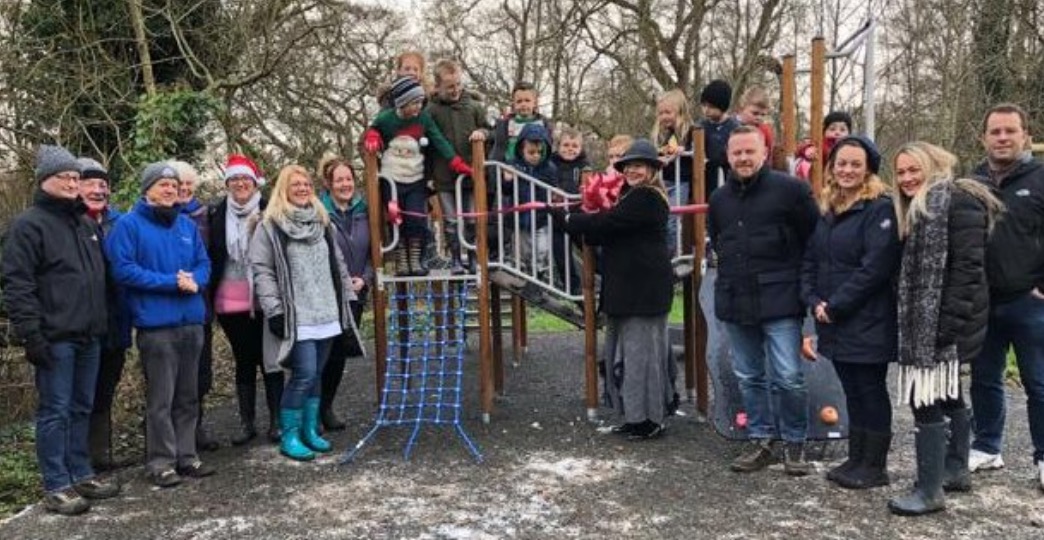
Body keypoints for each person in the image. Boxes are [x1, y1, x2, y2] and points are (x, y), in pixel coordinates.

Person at [886, 142, 1003, 515]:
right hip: (938, 322)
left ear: (933, 165)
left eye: (913, 170)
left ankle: (930, 489)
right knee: (949, 393)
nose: (906, 178)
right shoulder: (923, 208)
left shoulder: (955, 202)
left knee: (926, 398)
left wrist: (944, 328)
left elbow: (968, 271)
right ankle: (954, 470)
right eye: (900, 172)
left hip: (944, 325)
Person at [1, 145, 118, 515]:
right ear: (44, 181)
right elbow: (16, 284)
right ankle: (57, 483)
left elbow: (95, 279)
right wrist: (31, 334)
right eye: (63, 177)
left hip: (89, 334)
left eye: (74, 177)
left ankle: (81, 471)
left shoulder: (84, 223)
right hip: (55, 336)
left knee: (83, 406)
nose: (72, 183)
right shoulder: (28, 225)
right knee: (56, 410)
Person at [708, 125, 818, 476]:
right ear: (728, 156)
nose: (742, 158)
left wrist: (808, 292)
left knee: (788, 376)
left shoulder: (793, 191)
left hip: (781, 299)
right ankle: (762, 439)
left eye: (749, 152)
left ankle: (795, 442)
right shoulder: (719, 200)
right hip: (736, 300)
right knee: (749, 376)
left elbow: (813, 242)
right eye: (736, 152)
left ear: (764, 152)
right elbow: (719, 241)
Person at [552, 139, 674, 439]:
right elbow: (606, 231)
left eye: (638, 165)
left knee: (641, 357)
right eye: (628, 166)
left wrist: (569, 219)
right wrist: (579, 222)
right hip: (627, 289)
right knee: (628, 355)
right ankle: (635, 417)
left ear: (652, 170)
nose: (632, 170)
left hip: (642, 291)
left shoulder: (647, 197)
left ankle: (650, 419)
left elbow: (607, 223)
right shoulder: (629, 195)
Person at [800, 136, 901, 489]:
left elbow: (875, 267)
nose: (847, 170)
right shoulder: (828, 210)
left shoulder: (879, 209)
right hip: (833, 320)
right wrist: (812, 299)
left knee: (870, 389)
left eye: (855, 164)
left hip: (866, 317)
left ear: (868, 169)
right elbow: (812, 259)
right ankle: (857, 457)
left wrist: (836, 304)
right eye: (841, 163)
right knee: (851, 390)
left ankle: (875, 465)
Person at [105, 162, 215, 488]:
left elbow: (204, 262)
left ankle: (187, 455)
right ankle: (160, 462)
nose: (170, 190)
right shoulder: (129, 225)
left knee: (188, 395)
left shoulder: (185, 226)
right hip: (157, 326)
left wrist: (195, 280)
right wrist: (171, 282)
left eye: (173, 185)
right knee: (161, 399)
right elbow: (123, 270)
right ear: (147, 189)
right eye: (162, 185)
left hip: (192, 321)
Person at [251, 165, 364, 461]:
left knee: (317, 376)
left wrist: (347, 298)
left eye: (306, 184)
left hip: (326, 310)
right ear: (283, 189)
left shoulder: (322, 221)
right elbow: (262, 270)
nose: (302, 188)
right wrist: (274, 309)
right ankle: (289, 435)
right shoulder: (270, 225)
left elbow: (337, 263)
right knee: (303, 373)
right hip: (297, 313)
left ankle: (309, 429)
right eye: (295, 184)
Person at [967, 103, 1044, 487]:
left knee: (1039, 382)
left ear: (1025, 135)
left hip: (1030, 302)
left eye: (1009, 131)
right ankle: (986, 448)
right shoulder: (973, 182)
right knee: (984, 378)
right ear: (984, 137)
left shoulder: (1041, 178)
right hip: (984, 301)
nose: (1002, 138)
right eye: (995, 131)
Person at [207, 154, 284, 445]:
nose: (240, 184)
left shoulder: (271, 210)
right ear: (227, 184)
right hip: (229, 299)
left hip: (264, 297)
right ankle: (246, 423)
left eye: (245, 179)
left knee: (271, 359)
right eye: (234, 179)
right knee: (244, 359)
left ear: (255, 183)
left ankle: (276, 421)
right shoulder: (216, 213)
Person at [363, 76, 473, 276]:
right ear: (401, 103)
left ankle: (415, 258)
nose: (417, 107)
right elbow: (374, 129)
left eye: (419, 102)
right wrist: (373, 136)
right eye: (413, 103)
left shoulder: (423, 118)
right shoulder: (387, 118)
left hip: (415, 178)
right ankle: (401, 259)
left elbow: (438, 140)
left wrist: (455, 162)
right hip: (392, 179)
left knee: (417, 218)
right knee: (397, 218)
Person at [78, 158, 133, 472]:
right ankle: (79, 461)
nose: (98, 190)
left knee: (104, 391)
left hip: (116, 322)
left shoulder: (120, 223)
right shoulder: (68, 223)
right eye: (91, 184)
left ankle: (101, 455)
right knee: (79, 395)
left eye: (103, 185)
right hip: (81, 324)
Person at [318, 156, 372, 431]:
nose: (345, 184)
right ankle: (312, 411)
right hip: (327, 294)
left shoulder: (365, 211)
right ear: (328, 184)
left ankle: (327, 406)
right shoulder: (319, 212)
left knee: (340, 353)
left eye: (348, 179)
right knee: (321, 354)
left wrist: (364, 279)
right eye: (339, 180)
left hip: (356, 294)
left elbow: (374, 254)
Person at [170, 160, 219, 452]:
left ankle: (194, 428)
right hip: (167, 308)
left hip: (201, 305)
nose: (184, 189)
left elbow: (210, 259)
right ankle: (167, 438)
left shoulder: (205, 215)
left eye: (189, 184)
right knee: (168, 378)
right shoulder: (154, 218)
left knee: (200, 374)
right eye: (179, 184)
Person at [426, 59, 490, 274]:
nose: (455, 90)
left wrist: (483, 133)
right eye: (450, 86)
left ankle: (472, 257)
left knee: (472, 219)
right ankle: (455, 258)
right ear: (438, 87)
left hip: (471, 175)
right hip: (444, 177)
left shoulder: (473, 107)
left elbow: (489, 129)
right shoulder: (432, 111)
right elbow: (429, 141)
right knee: (451, 221)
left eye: (458, 84)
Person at [651, 89, 695, 246]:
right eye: (661, 113)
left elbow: (697, 151)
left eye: (667, 112)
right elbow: (663, 152)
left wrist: (684, 150)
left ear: (680, 112)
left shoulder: (691, 131)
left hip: (680, 182)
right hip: (664, 182)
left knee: (672, 219)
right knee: (660, 219)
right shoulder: (666, 134)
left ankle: (671, 258)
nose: (663, 116)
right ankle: (663, 254)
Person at [490, 81, 554, 163]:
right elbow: (494, 141)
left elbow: (548, 150)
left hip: (535, 171)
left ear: (535, 103)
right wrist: (482, 132)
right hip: (510, 170)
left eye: (527, 100)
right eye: (519, 101)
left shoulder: (544, 124)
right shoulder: (505, 124)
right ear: (513, 104)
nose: (523, 104)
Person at [699, 79, 741, 196]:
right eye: (704, 105)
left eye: (711, 106)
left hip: (728, 178)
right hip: (706, 180)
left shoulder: (734, 127)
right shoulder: (700, 127)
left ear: (722, 106)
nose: (706, 110)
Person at [794, 111, 851, 181]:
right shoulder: (822, 145)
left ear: (849, 133)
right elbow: (804, 146)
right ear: (824, 132)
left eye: (842, 130)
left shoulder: (851, 147)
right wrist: (808, 149)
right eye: (832, 129)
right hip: (821, 182)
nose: (837, 132)